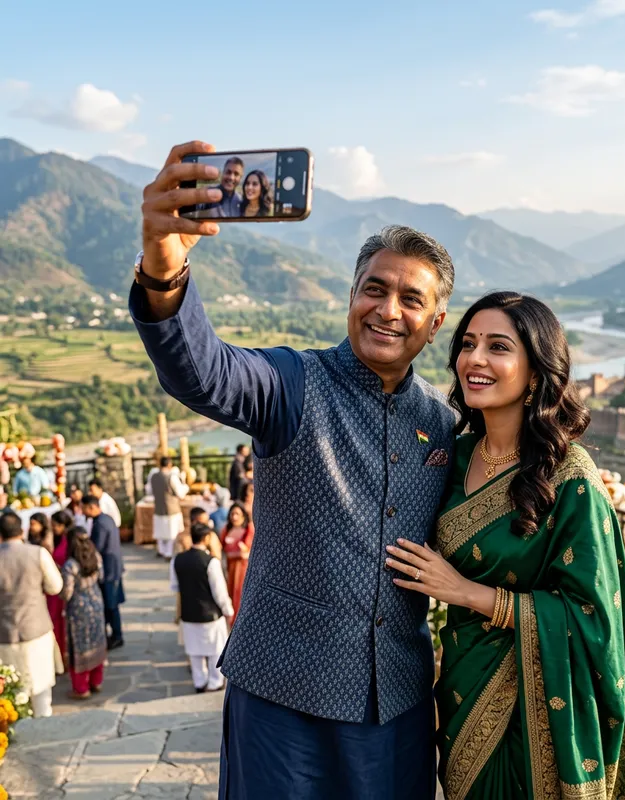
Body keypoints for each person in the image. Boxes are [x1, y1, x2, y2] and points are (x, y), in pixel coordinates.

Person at [133, 140, 456, 799]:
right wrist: (163, 267)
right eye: (375, 289)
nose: (388, 310)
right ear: (352, 296)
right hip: (281, 699)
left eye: (410, 299)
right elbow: (204, 372)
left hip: (393, 707)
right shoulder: (292, 383)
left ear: (436, 322)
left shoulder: (446, 426)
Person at [387, 292, 625, 798]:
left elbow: (594, 618)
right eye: (468, 344)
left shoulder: (570, 478)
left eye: (498, 347)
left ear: (535, 372)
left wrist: (467, 592)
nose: (476, 359)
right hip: (462, 686)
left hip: (536, 713)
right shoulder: (453, 453)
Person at [0, 512, 64, 718]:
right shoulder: (37, 553)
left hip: (5, 634)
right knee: (42, 693)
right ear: (22, 530)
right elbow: (55, 587)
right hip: (36, 629)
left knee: (14, 697)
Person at [170, 522, 234, 693]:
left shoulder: (177, 560)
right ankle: (215, 681)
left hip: (189, 613)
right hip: (210, 614)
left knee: (195, 652)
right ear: (206, 538)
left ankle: (199, 682)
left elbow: (175, 586)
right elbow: (219, 592)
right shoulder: (211, 562)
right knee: (215, 650)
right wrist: (228, 610)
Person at [60, 527, 107, 700]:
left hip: (78, 608)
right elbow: (101, 577)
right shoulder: (96, 556)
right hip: (96, 602)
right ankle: (96, 681)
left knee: (79, 646)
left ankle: (81, 688)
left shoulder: (71, 565)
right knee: (97, 640)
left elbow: (66, 593)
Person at [82, 495, 125, 650]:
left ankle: (117, 636)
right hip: (114, 567)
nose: (82, 511)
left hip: (109, 570)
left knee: (111, 604)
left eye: (84, 508)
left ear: (91, 507)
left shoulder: (100, 524)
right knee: (111, 604)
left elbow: (96, 548)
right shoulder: (106, 518)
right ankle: (113, 634)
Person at [47, 510, 73, 664]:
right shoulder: (58, 539)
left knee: (60, 621)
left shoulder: (68, 541)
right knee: (55, 620)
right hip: (55, 585)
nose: (53, 528)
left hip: (63, 586)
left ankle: (62, 655)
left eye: (56, 525)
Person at [150, 456, 190, 559]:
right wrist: (185, 484)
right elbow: (181, 493)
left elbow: (149, 491)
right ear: (169, 464)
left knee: (160, 531)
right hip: (171, 508)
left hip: (158, 508)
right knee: (172, 532)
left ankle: (161, 550)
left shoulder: (153, 476)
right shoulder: (172, 477)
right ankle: (168, 553)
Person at [220, 502, 254, 621]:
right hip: (229, 568)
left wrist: (240, 553)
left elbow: (246, 551)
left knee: (240, 595)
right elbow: (221, 549)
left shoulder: (248, 529)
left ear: (243, 516)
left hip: (243, 569)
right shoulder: (226, 529)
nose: (234, 517)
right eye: (232, 514)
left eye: (237, 514)